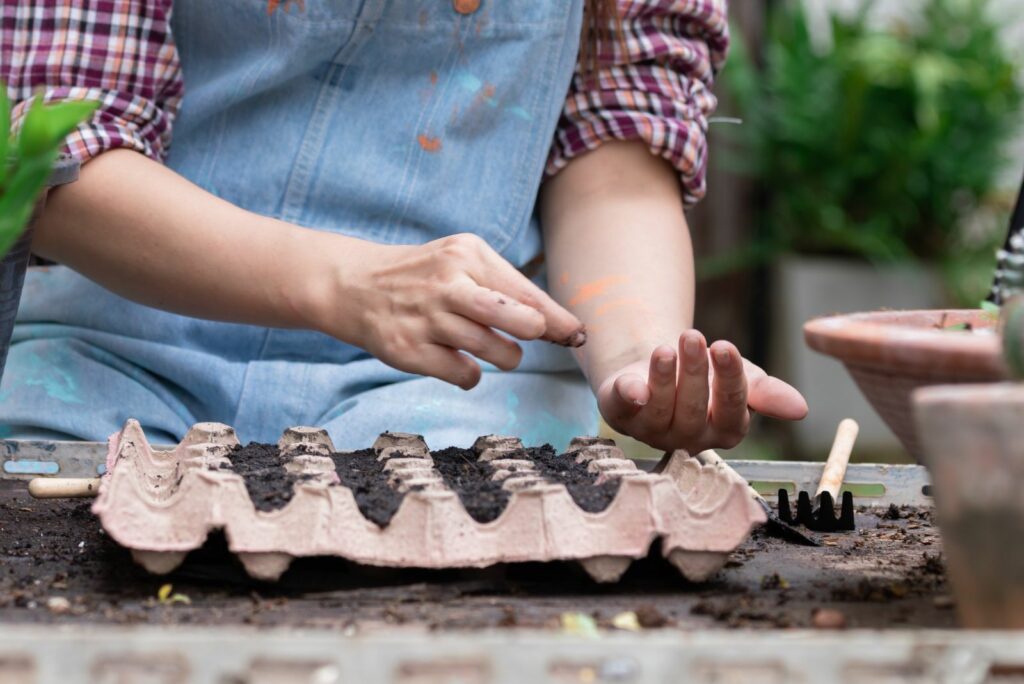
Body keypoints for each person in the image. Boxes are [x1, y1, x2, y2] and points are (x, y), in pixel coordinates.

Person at [0, 0, 807, 451]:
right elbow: (52, 151)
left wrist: (635, 356)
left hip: (451, 382)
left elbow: (613, 149)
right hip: (111, 351)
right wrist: (348, 285)